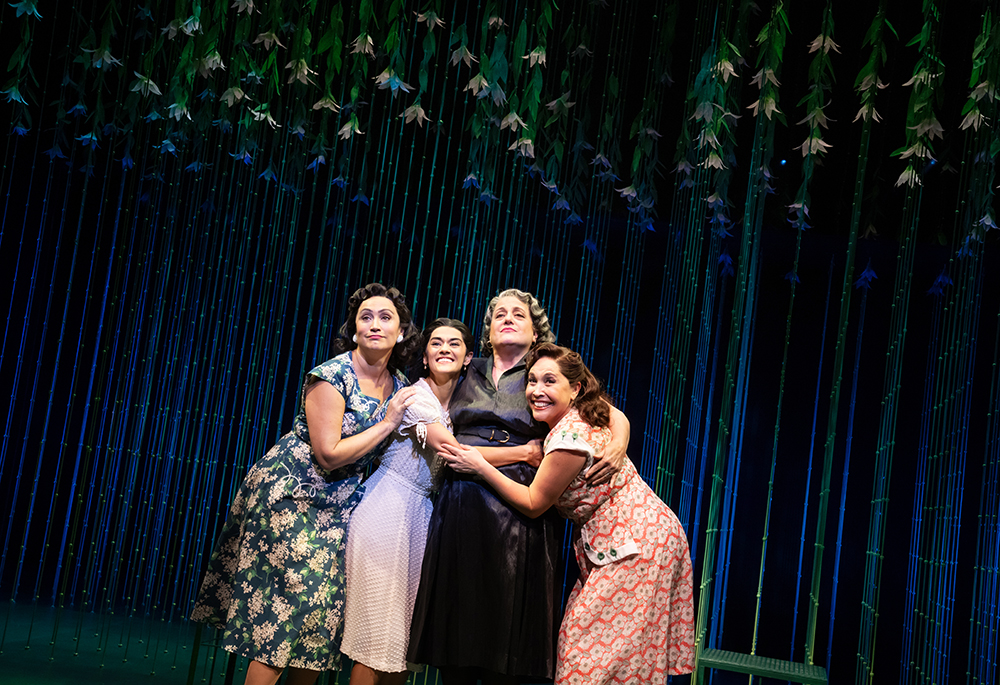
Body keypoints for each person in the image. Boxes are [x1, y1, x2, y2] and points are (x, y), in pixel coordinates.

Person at [190, 283, 420, 685]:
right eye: (365, 317)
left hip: (341, 506)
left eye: (386, 318)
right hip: (293, 496)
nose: (374, 325)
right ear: (353, 330)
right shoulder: (331, 376)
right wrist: (387, 423)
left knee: (321, 617)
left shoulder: (401, 385)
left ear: (401, 332)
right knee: (286, 611)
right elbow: (328, 453)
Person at [408, 289, 630, 685]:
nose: (507, 319)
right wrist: (520, 452)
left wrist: (618, 444)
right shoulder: (466, 368)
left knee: (505, 641)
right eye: (499, 315)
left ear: (535, 333)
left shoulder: (542, 374)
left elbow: (610, 412)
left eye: (519, 315)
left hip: (521, 510)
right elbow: (434, 425)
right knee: (456, 639)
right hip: (462, 504)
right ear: (488, 331)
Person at [441, 343, 696, 684]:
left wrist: (480, 466)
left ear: (574, 389)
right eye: (532, 381)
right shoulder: (584, 412)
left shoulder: (569, 438)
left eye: (549, 381)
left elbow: (535, 502)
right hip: (631, 537)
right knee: (619, 655)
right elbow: (614, 412)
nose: (537, 390)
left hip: (636, 543)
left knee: (586, 654)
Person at [340, 319, 474, 685]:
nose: (445, 348)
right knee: (373, 637)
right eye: (436, 343)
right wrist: (525, 452)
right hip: (387, 509)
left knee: (400, 643)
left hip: (419, 517)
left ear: (468, 358)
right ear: (426, 356)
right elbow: (452, 451)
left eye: (455, 343)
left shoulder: (461, 408)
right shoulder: (416, 397)